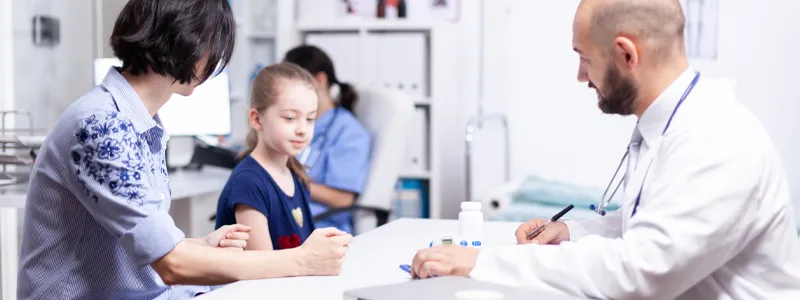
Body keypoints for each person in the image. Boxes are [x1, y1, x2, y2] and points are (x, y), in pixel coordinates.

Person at [409, 0, 800, 299]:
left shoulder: (718, 140)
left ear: (626, 55)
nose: (581, 76)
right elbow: (649, 221)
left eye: (584, 59)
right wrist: (570, 232)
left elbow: (643, 271)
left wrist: (485, 262)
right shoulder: (671, 126)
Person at [17, 1, 349, 299]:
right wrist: (303, 260)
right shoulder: (102, 126)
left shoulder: (141, 124)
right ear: (188, 44)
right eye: (213, 49)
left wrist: (199, 246)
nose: (214, 63)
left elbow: (149, 244)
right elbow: (172, 265)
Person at [214, 63, 353, 253]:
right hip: (263, 282)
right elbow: (262, 266)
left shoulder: (297, 175)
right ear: (256, 119)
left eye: (310, 119)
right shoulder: (248, 182)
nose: (302, 129)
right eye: (289, 118)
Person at [283, 45, 372, 235]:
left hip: (319, 227)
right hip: (288, 217)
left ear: (320, 80)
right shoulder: (299, 124)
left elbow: (343, 200)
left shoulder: (347, 132)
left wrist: (288, 182)